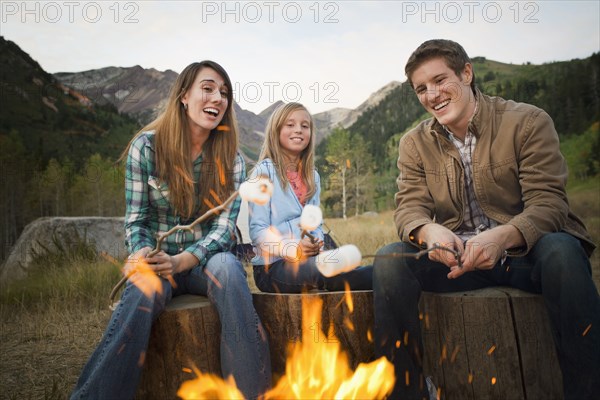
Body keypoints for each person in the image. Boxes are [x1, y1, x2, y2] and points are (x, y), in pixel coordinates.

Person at [373, 39, 599, 399]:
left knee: (562, 252)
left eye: (439, 80)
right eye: (421, 89)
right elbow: (409, 208)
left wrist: (500, 238)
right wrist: (430, 232)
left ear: (466, 73)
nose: (431, 95)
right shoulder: (413, 143)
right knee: (389, 260)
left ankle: (586, 390)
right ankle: (406, 392)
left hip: (523, 255)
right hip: (455, 260)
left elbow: (549, 204)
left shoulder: (526, 121)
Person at [70, 61, 271, 399]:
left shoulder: (231, 158)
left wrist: (183, 261)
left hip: (204, 262)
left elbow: (223, 229)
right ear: (183, 96)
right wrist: (143, 253)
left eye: (224, 93)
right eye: (208, 88)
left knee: (229, 268)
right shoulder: (146, 148)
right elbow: (137, 220)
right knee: (141, 288)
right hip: (159, 261)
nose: (218, 98)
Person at [248, 102, 372, 293]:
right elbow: (258, 231)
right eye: (290, 125)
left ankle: (373, 274)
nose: (298, 130)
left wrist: (315, 243)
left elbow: (315, 225)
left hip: (309, 258)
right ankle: (378, 274)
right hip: (272, 267)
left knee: (338, 265)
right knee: (326, 269)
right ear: (276, 131)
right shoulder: (263, 173)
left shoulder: (312, 176)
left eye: (305, 126)